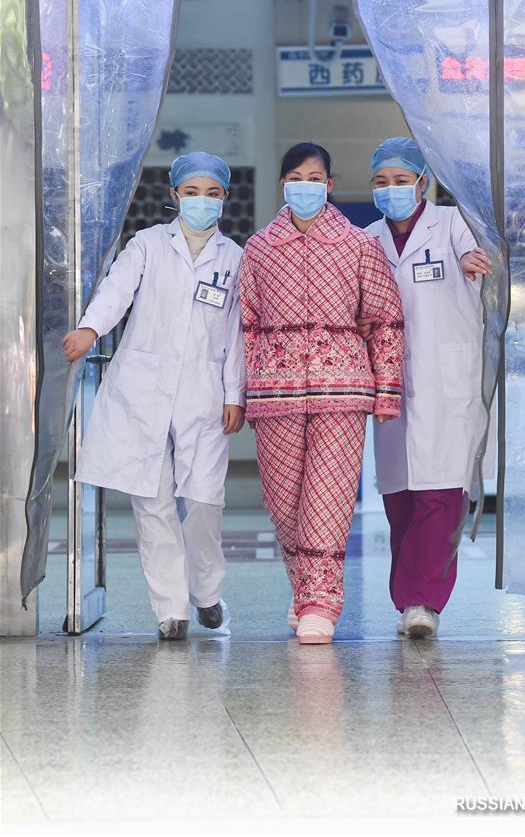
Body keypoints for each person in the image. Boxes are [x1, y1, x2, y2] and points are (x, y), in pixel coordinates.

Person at [62, 151, 246, 640]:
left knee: (204, 501)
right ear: (174, 196)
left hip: (205, 393)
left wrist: (235, 393)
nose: (201, 201)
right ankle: (171, 609)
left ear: (225, 197)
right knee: (153, 500)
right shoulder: (147, 244)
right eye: (192, 192)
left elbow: (237, 333)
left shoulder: (235, 258)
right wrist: (90, 328)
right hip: (142, 390)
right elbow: (116, 290)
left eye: (212, 193)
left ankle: (206, 593)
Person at [240, 142, 404, 645]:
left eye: (314, 178)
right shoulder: (259, 249)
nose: (305, 186)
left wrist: (387, 390)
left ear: (329, 185)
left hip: (343, 388)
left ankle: (321, 603)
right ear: (282, 184)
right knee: (283, 502)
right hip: (274, 392)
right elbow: (246, 325)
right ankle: (303, 589)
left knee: (328, 499)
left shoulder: (358, 245)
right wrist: (241, 391)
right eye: (296, 177)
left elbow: (386, 319)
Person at [360, 137, 492, 638]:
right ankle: (408, 600)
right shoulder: (366, 239)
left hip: (447, 378)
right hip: (391, 380)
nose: (390, 189)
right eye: (381, 181)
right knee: (401, 498)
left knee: (441, 494)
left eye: (400, 180)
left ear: (422, 182)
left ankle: (423, 602)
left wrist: (472, 262)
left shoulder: (453, 224)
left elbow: (477, 258)